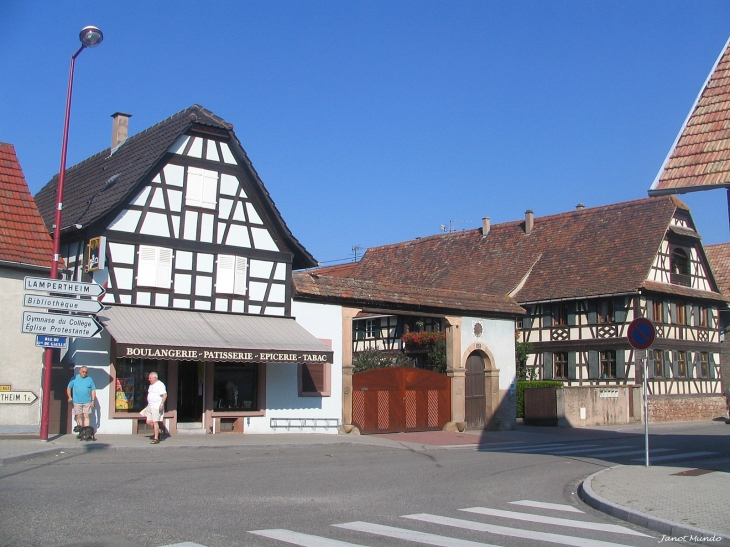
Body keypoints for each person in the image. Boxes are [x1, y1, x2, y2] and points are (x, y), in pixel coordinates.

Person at [66, 366, 96, 441]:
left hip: (87, 401)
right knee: (79, 416)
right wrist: (69, 397)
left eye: (86, 372)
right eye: (83, 372)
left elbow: (93, 390)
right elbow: (69, 387)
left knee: (86, 416)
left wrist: (93, 400)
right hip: (77, 401)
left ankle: (88, 433)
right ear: (80, 371)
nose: (84, 373)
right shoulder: (74, 378)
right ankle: (81, 433)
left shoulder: (89, 379)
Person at [141, 372, 167, 444]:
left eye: (150, 378)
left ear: (155, 378)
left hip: (156, 406)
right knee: (148, 421)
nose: (149, 379)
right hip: (150, 406)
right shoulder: (151, 385)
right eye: (149, 378)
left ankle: (156, 438)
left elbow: (164, 395)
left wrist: (161, 405)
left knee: (155, 422)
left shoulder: (160, 385)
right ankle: (158, 431)